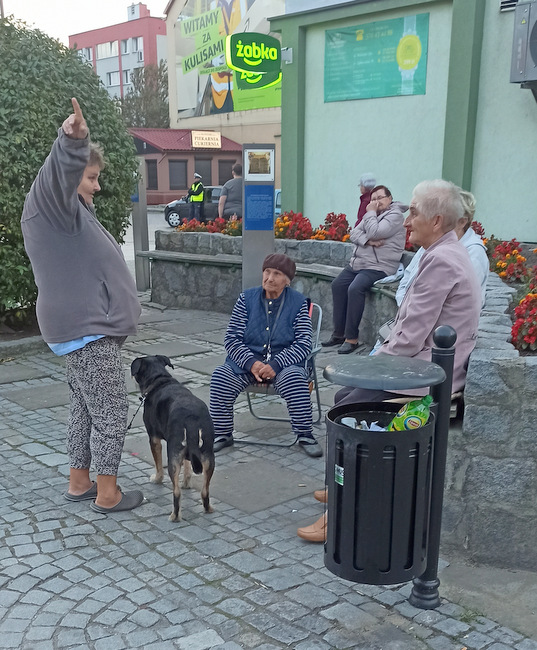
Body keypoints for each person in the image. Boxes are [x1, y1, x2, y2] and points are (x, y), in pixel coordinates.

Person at [298, 180, 482, 543]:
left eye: (413, 211)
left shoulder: (443, 260)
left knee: (350, 411)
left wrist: (368, 368)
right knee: (344, 401)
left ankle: (340, 510)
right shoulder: (442, 251)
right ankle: (339, 488)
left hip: (431, 381)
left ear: (437, 219)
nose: (406, 219)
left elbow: (410, 336)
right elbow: (409, 330)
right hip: (423, 367)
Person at [21, 98, 143, 513]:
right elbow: (58, 173)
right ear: (70, 176)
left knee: (84, 406)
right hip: (86, 330)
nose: (96, 185)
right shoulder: (50, 207)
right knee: (111, 409)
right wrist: (73, 142)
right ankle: (109, 494)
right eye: (90, 177)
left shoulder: (72, 213)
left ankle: (80, 482)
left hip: (85, 329)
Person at [209, 253, 323, 458]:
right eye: (267, 272)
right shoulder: (246, 299)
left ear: (287, 281)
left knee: (295, 379)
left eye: (277, 274)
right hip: (247, 362)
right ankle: (222, 433)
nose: (269, 278)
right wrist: (252, 364)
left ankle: (305, 434)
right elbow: (232, 339)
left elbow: (304, 342)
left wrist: (276, 364)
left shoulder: (298, 303)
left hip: (284, 364)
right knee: (220, 377)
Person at [321, 185, 407, 354]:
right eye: (373, 199)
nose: (376, 202)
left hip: (380, 266)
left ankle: (351, 339)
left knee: (355, 288)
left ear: (390, 199)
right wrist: (368, 241)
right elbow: (354, 234)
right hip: (359, 264)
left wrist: (370, 215)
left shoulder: (395, 215)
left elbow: (375, 232)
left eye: (380, 198)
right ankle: (339, 334)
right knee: (338, 285)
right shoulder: (373, 215)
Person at [395, 189, 488, 308]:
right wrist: (405, 308)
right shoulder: (433, 242)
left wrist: (412, 314)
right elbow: (407, 279)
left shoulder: (473, 253)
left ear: (462, 222)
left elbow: (460, 304)